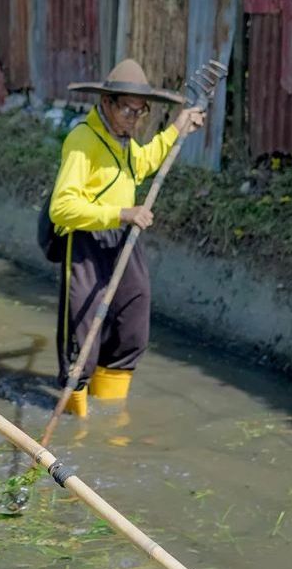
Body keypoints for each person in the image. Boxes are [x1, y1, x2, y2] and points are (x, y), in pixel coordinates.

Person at [48, 59, 205, 418]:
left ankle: (111, 419)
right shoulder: (83, 140)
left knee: (132, 321)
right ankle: (73, 419)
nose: (134, 119)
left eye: (140, 111)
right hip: (87, 241)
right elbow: (62, 207)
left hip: (123, 239)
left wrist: (177, 128)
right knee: (82, 335)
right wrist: (121, 213)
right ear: (106, 103)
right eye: (127, 110)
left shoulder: (124, 141)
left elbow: (143, 163)